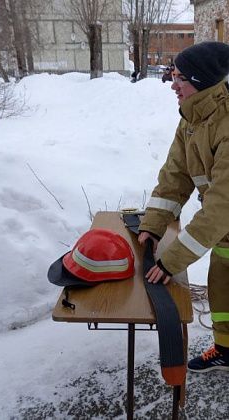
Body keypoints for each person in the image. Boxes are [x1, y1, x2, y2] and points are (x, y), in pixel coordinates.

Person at [138, 42, 229, 373]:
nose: (172, 84)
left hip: (223, 220)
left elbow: (222, 207)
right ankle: (226, 349)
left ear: (201, 82)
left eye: (179, 78)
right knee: (222, 291)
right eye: (171, 75)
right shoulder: (194, 116)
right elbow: (174, 177)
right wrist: (152, 224)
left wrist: (171, 260)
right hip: (224, 234)